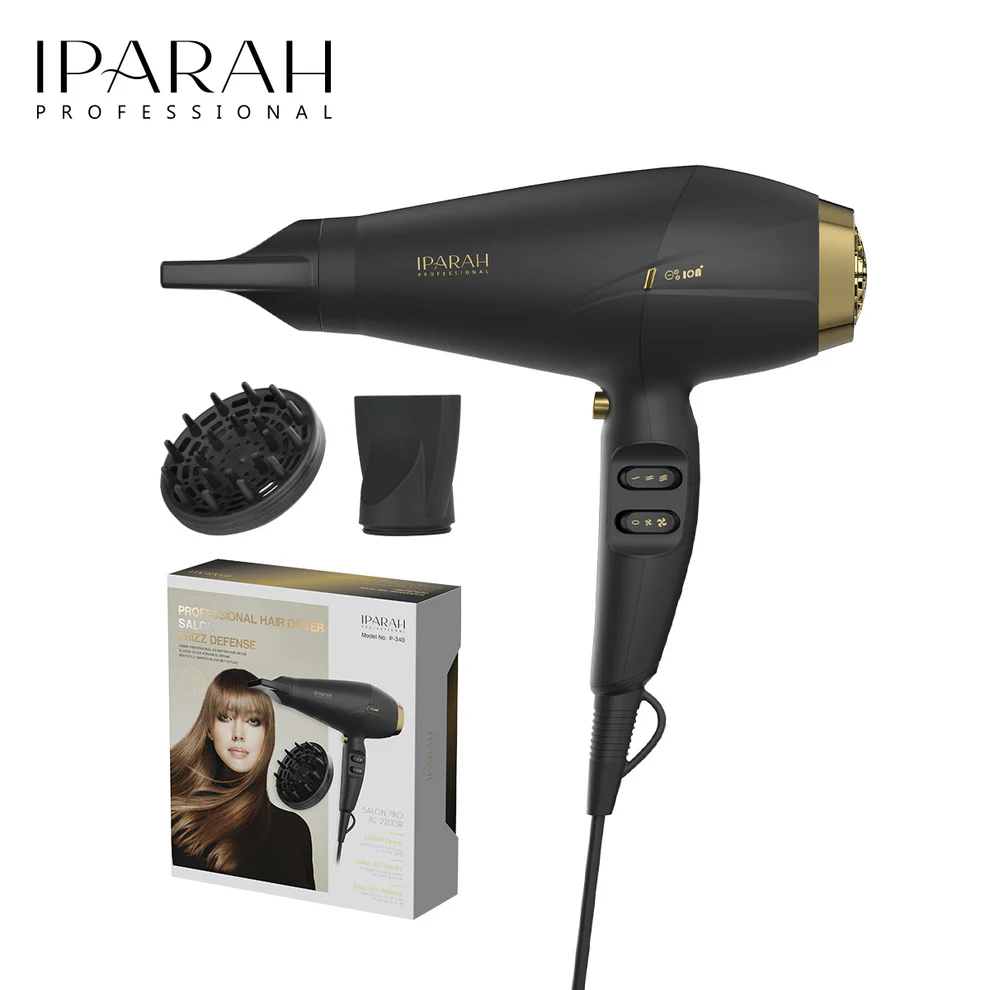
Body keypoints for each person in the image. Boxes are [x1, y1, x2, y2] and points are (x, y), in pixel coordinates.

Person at [170, 668, 315, 889]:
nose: (238, 734)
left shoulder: (295, 832)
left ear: (267, 733)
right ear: (209, 728)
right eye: (225, 717)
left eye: (253, 721)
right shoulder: (178, 817)